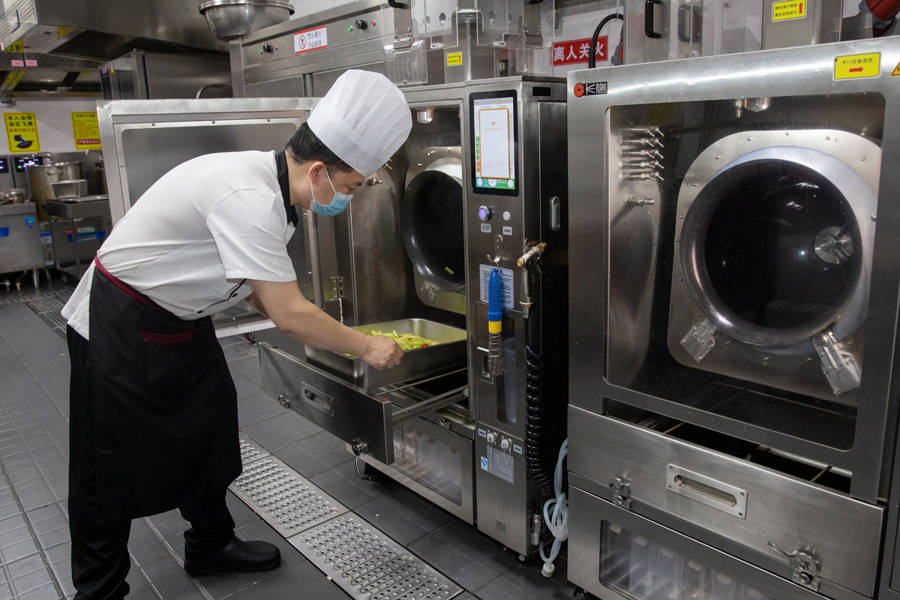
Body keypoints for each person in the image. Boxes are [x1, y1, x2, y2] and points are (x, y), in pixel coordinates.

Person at [60, 70, 412, 599]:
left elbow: (250, 281)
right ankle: (99, 591)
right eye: (348, 188)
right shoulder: (249, 195)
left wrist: (262, 309)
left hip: (180, 318)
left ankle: (210, 544)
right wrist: (367, 346)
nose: (346, 199)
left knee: (208, 425)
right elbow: (289, 314)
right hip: (120, 320)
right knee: (104, 463)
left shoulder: (277, 190)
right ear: (319, 170)